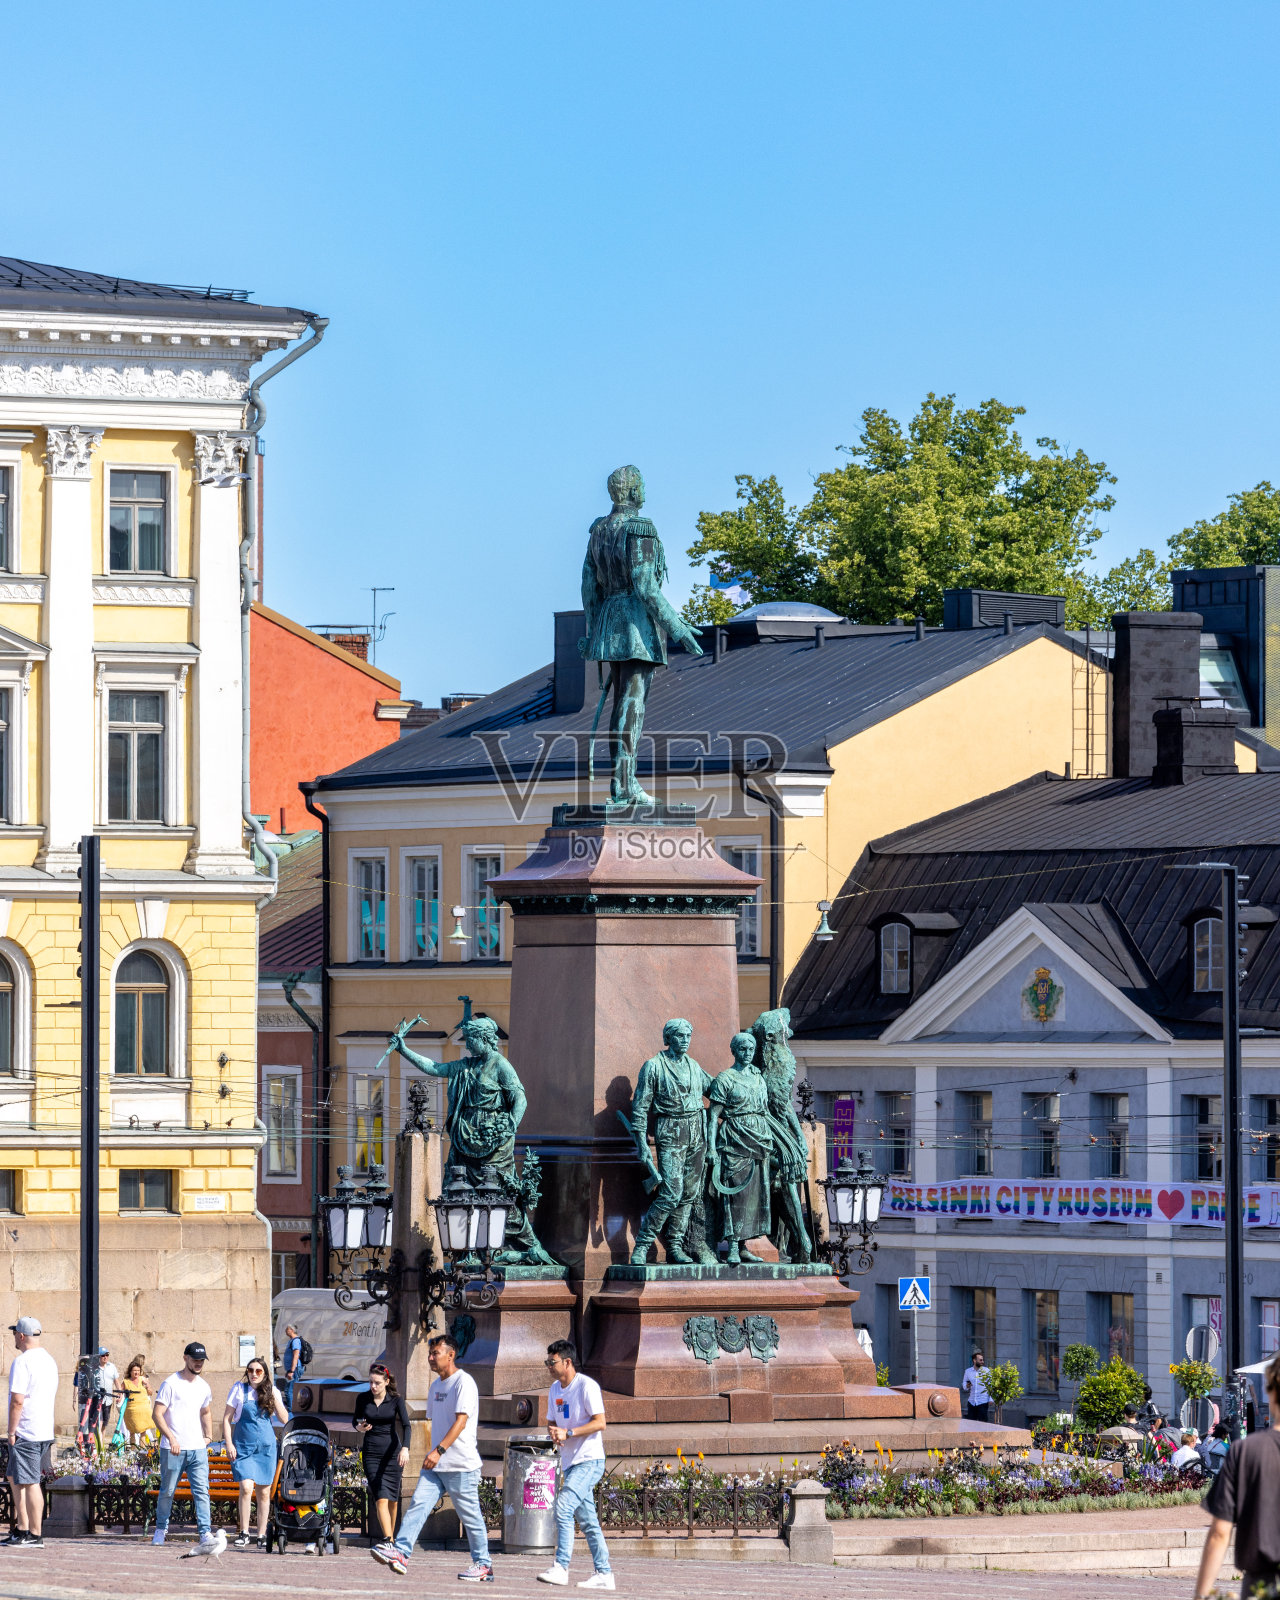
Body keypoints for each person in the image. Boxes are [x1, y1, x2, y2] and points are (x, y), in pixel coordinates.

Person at [372, 1332, 493, 1582]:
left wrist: (439, 1451)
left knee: (470, 1516)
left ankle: (484, 1565)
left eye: (435, 1353)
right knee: (418, 1505)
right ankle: (402, 1553)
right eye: (429, 1353)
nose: (430, 1358)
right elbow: (434, 1423)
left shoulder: (464, 1383)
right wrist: (433, 1452)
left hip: (460, 1464)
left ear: (451, 1355)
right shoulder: (436, 1385)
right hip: (436, 1464)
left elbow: (461, 1422)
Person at [1196, 1353, 1280, 1598]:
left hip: (1262, 1582)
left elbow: (1220, 1532)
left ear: (1271, 1392)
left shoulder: (1246, 1451)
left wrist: (1201, 1595)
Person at [538, 1339, 613, 1591]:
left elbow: (600, 1422)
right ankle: (604, 1573)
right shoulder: (554, 1390)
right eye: (547, 1362)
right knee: (589, 1521)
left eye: (553, 1361)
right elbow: (551, 1421)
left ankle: (561, 1567)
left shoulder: (586, 1386)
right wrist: (554, 1433)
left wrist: (568, 1433)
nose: (549, 1365)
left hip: (589, 1460)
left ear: (567, 1362)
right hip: (570, 1462)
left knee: (563, 1506)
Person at [152, 1340, 219, 1554]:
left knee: (202, 1491)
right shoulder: (171, 1383)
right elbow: (157, 1414)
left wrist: (208, 1436)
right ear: (185, 1358)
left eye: (201, 1360)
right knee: (168, 1491)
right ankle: (161, 1529)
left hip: (197, 1449)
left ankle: (205, 1532)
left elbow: (205, 1411)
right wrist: (171, 1438)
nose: (198, 1363)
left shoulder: (203, 1386)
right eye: (195, 1359)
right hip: (173, 1448)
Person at [223, 1357, 288, 1549]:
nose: (253, 1374)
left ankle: (261, 1534)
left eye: (258, 1371)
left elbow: (285, 1418)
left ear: (265, 1374)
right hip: (243, 1447)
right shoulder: (238, 1390)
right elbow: (227, 1419)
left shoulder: (272, 1392)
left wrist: (274, 1395)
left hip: (265, 1449)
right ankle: (244, 1531)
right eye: (251, 1370)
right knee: (245, 1487)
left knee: (264, 1493)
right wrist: (229, 1444)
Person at [5, 1315, 57, 1548]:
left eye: (15, 1332)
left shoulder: (23, 1361)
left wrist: (11, 1431)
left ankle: (35, 1534)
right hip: (44, 1429)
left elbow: (17, 1400)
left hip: (27, 1430)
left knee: (31, 1482)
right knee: (14, 1477)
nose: (14, 1336)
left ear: (22, 1335)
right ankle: (22, 1529)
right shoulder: (49, 1360)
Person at [354, 1361, 409, 1548]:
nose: (373, 1386)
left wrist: (405, 1448)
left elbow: (407, 1426)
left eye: (377, 1383)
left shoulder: (396, 1400)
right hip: (371, 1453)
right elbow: (355, 1420)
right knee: (381, 1497)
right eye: (370, 1382)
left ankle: (390, 1540)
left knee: (392, 1500)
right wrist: (359, 1427)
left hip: (392, 1454)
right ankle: (388, 1540)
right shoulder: (363, 1399)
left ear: (386, 1381)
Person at [121, 1356, 154, 1444]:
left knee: (143, 1432)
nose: (136, 1373)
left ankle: (142, 1451)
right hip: (131, 1410)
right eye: (134, 1371)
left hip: (144, 1409)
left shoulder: (143, 1379)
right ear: (130, 1371)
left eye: (138, 1371)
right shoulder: (126, 1381)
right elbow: (120, 1392)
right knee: (132, 1432)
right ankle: (133, 1450)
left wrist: (148, 1386)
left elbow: (150, 1393)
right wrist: (119, 1398)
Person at [93, 1347, 120, 1438]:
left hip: (108, 1400)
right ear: (99, 1357)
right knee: (98, 1423)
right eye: (103, 1355)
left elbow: (116, 1381)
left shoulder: (112, 1367)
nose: (105, 1357)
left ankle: (101, 1444)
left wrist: (120, 1393)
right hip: (97, 1399)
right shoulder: (94, 1367)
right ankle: (98, 1444)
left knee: (105, 1423)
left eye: (107, 1355)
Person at [281, 1324, 305, 1413]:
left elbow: (296, 1356)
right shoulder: (291, 1341)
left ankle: (291, 1411)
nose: (285, 1331)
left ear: (291, 1330)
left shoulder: (295, 1341)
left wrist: (291, 1371)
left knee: (288, 1390)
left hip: (294, 1370)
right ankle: (292, 1409)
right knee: (290, 1390)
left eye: (287, 1329)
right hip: (291, 1369)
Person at [961, 1351, 990, 1423]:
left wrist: (991, 1399)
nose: (982, 1362)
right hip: (972, 1401)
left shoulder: (986, 1371)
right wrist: (966, 1386)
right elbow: (964, 1383)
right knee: (971, 1424)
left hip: (983, 1401)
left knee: (983, 1424)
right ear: (974, 1360)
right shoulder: (968, 1371)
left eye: (982, 1360)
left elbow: (990, 1385)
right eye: (980, 1360)